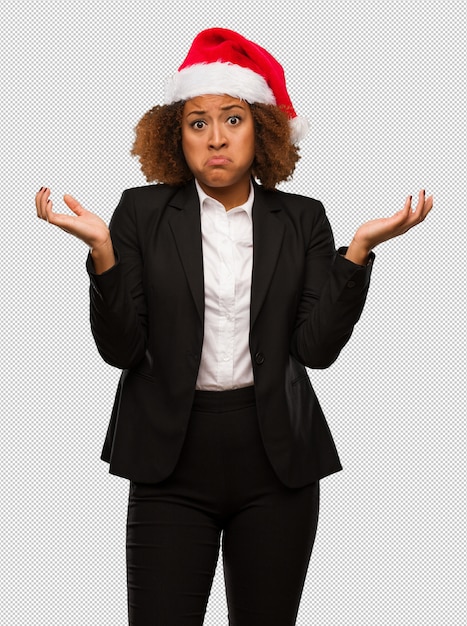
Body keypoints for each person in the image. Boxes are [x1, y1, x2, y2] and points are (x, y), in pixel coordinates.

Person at [35, 28, 433, 626]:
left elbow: (315, 351)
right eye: (198, 122)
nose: (216, 138)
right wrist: (103, 253)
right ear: (177, 135)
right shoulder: (140, 214)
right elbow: (122, 349)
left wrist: (358, 252)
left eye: (233, 119)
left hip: (276, 461)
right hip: (170, 458)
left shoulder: (303, 220)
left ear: (262, 130)